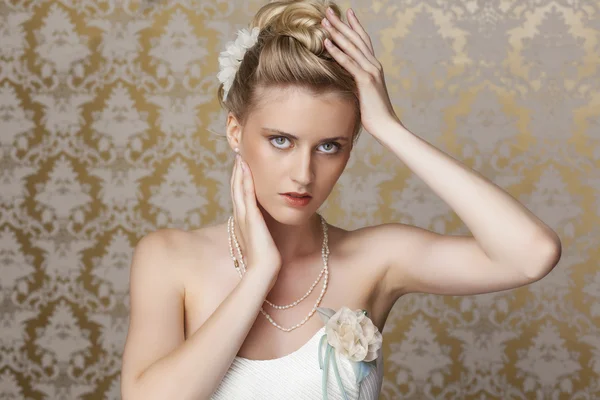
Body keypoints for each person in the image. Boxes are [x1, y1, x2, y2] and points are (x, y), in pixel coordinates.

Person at [119, 0, 562, 399]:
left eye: (330, 146)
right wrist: (260, 274)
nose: (303, 173)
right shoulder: (169, 258)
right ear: (235, 131)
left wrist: (390, 128)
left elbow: (532, 255)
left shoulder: (377, 259)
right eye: (280, 140)